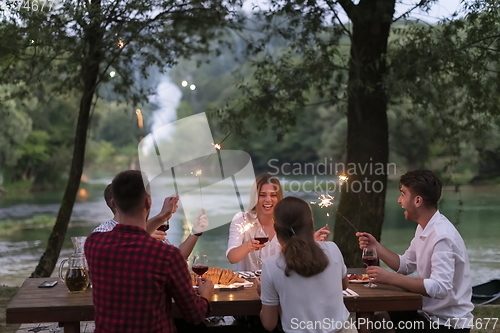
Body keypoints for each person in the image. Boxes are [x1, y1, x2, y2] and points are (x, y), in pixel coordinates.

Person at [85, 170, 214, 333]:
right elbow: (194, 315)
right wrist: (205, 296)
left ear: (114, 203)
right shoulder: (166, 255)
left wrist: (163, 216)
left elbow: (131, 238)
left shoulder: (93, 243)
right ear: (148, 202)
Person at [357, 169, 474, 332]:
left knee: (370, 327)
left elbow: (440, 288)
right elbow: (406, 265)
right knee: (369, 324)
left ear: (417, 201)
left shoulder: (442, 236)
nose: (399, 200)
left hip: (446, 323)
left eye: (403, 194)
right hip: (426, 313)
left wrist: (390, 278)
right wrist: (376, 246)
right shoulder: (424, 227)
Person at [256, 196, 350, 333]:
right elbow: (344, 285)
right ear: (311, 223)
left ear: (276, 228)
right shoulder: (333, 249)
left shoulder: (271, 266)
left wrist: (265, 294)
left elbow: (269, 324)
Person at [227, 174, 330, 271]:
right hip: (248, 282)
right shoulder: (242, 219)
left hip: (279, 281)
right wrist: (247, 246)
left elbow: (297, 255)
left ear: (279, 197)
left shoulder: (286, 219)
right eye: (262, 195)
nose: (268, 200)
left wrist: (311, 241)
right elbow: (232, 258)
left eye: (273, 195)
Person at [94, 183, 208, 259]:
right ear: (114, 203)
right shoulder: (102, 232)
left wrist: (195, 231)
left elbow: (177, 257)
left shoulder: (151, 229)